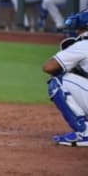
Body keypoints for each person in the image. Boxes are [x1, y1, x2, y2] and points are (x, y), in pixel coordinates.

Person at [42, 9, 88, 146]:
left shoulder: (83, 45)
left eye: (77, 28)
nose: (75, 31)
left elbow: (49, 67)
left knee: (58, 81)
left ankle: (84, 132)